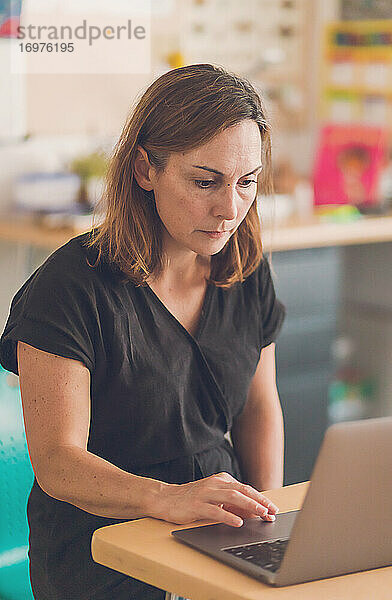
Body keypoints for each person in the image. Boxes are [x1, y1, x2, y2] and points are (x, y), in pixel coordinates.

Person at [0, 63, 286, 600]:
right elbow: (59, 462)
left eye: (246, 184)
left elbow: (259, 409)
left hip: (217, 538)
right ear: (145, 169)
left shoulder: (244, 266)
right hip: (100, 550)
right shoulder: (69, 288)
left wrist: (265, 530)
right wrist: (165, 498)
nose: (229, 210)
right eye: (205, 182)